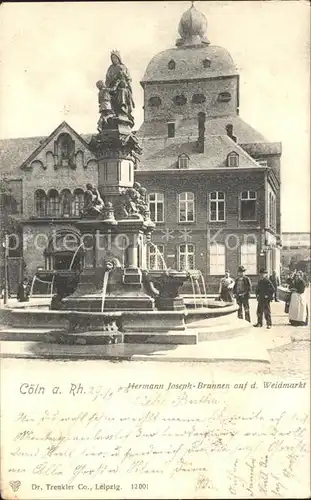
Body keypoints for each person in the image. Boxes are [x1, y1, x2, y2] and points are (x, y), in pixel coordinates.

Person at [105, 50, 135, 124]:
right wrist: (112, 82)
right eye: (112, 58)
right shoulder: (110, 68)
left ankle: (122, 110)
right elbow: (107, 80)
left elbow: (128, 79)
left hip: (122, 88)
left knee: (122, 92)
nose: (114, 60)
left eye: (115, 58)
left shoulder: (123, 67)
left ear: (119, 58)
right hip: (112, 89)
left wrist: (124, 80)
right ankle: (111, 113)